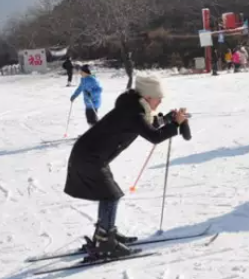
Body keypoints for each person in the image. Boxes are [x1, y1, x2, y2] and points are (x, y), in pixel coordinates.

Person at [64, 75, 188, 259]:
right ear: (147, 97)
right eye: (158, 97)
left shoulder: (134, 108)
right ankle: (105, 242)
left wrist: (169, 119)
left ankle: (105, 233)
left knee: (108, 194)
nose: (160, 101)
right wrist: (176, 124)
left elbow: (151, 125)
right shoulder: (133, 113)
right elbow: (154, 136)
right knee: (111, 195)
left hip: (91, 156)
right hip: (89, 158)